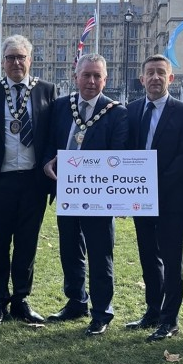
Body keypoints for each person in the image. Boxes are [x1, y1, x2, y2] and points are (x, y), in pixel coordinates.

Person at [43, 54, 128, 336]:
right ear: (75, 76)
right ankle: (76, 300)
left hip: (98, 196)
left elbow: (119, 155)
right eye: (86, 75)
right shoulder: (59, 106)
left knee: (100, 253)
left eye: (97, 76)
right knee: (70, 249)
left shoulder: (116, 112)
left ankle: (102, 311)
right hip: (66, 192)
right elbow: (49, 141)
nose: (91, 81)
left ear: (106, 79)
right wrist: (47, 162)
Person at [0, 35, 56, 324]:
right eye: (10, 57)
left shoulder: (46, 91)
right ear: (3, 62)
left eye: (21, 57)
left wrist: (50, 161)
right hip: (0, 181)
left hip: (33, 182)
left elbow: (52, 134)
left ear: (30, 60)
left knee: (27, 244)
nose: (16, 62)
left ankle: (21, 299)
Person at [125, 55, 183, 341]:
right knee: (148, 257)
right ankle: (153, 310)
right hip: (141, 200)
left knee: (171, 258)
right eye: (150, 73)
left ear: (170, 79)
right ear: (142, 79)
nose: (155, 78)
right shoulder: (130, 111)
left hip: (170, 199)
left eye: (160, 73)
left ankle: (170, 318)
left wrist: (154, 184)